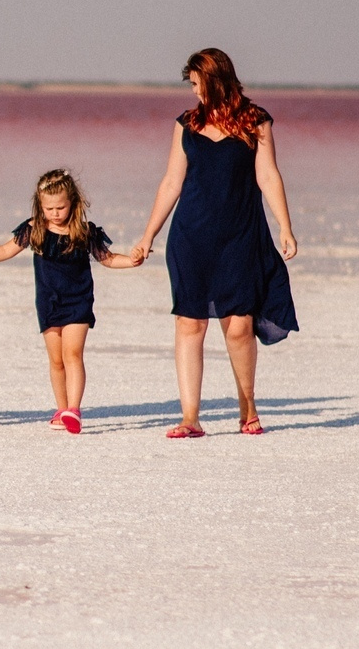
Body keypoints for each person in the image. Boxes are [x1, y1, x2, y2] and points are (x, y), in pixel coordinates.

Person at [128, 48, 300, 438]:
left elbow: (268, 176)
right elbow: (171, 182)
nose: (194, 92)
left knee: (239, 327)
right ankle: (190, 417)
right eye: (191, 85)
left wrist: (285, 227)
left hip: (240, 235)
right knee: (190, 323)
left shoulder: (255, 120)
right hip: (190, 237)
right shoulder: (187, 123)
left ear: (215, 79)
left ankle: (247, 405)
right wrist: (149, 234)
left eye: (197, 83)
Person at [0, 168, 143, 433]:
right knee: (56, 360)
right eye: (48, 208)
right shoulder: (35, 229)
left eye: (60, 207)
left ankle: (74, 409)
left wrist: (131, 261)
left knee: (72, 354)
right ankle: (62, 409)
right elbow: (6, 249)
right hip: (48, 302)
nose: (54, 213)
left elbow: (107, 259)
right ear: (40, 206)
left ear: (72, 202)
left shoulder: (84, 232)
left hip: (78, 301)